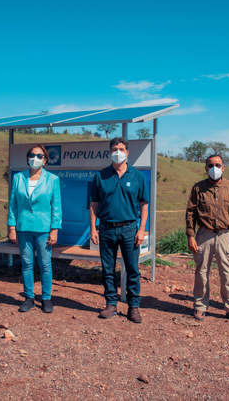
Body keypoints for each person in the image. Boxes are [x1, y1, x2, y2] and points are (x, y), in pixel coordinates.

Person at [90, 137, 149, 323]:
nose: (118, 152)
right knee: (107, 269)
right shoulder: (100, 176)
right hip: (106, 228)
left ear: (127, 152)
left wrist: (142, 230)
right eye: (115, 149)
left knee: (132, 269)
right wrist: (93, 228)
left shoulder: (137, 176)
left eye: (121, 149)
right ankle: (111, 304)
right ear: (109, 152)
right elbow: (93, 204)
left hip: (130, 229)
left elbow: (144, 204)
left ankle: (134, 307)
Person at [185, 154, 229, 324]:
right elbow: (190, 213)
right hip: (204, 234)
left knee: (228, 273)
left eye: (218, 165)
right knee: (201, 272)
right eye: (211, 165)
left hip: (226, 235)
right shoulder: (198, 188)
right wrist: (191, 236)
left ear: (223, 167)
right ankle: (200, 306)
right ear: (205, 168)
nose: (214, 168)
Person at [8, 145, 62, 313]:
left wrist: (55, 229)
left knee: (45, 264)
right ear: (27, 158)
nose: (35, 158)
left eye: (39, 156)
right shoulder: (18, 178)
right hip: (23, 227)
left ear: (45, 160)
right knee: (26, 263)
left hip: (44, 229)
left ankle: (46, 298)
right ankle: (29, 297)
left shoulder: (52, 179)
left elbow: (56, 206)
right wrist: (11, 226)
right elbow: (13, 205)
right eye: (32, 155)